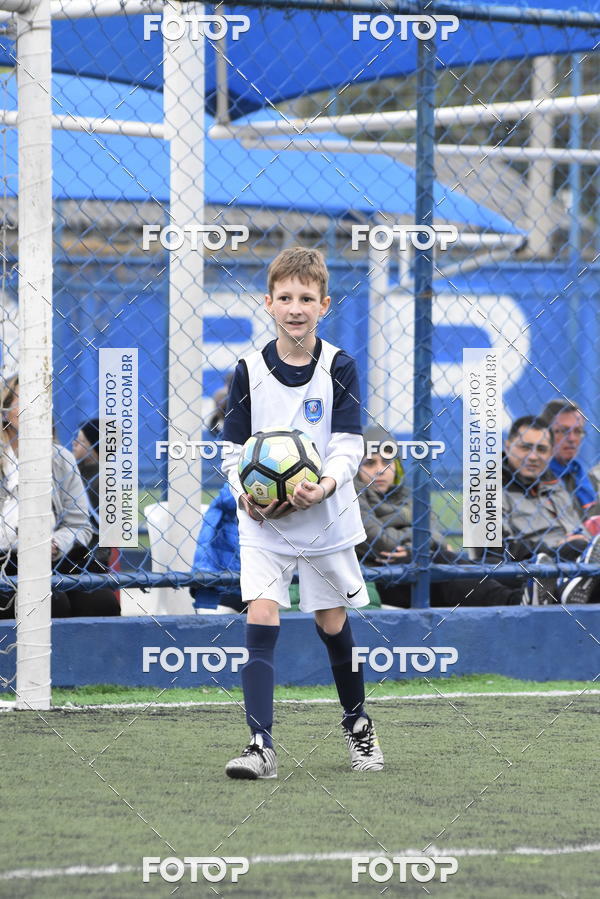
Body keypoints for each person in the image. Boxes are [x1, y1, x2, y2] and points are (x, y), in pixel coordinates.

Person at [220, 246, 383, 779]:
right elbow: (231, 451)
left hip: (324, 518)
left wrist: (328, 484)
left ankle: (358, 725)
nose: (295, 307)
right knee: (262, 615)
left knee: (331, 624)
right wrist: (244, 492)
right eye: (285, 297)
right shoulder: (246, 370)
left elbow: (347, 442)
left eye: (306, 298)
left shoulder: (339, 366)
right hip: (263, 522)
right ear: (268, 303)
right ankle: (259, 746)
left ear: (324, 305)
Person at [355, 425, 524, 607]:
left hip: (419, 564)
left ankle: (539, 590)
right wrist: (420, 536)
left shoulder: (408, 494)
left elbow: (437, 536)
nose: (380, 470)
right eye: (370, 463)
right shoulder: (351, 494)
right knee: (444, 560)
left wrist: (414, 549)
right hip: (382, 576)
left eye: (387, 462)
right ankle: (515, 601)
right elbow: (381, 542)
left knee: (488, 561)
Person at [0, 377, 120, 618]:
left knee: (100, 602)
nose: (33, 406)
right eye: (24, 399)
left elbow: (79, 525)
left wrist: (55, 544)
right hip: (5, 559)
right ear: (5, 411)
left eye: (41, 400)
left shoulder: (59, 458)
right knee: (53, 605)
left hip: (53, 557)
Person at [501, 415, 600, 604]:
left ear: (550, 454)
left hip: (576, 561)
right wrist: (558, 550)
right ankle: (569, 585)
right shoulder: (484, 487)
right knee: (578, 547)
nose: (533, 456)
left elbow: (578, 530)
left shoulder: (555, 484)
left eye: (541, 449)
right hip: (528, 569)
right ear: (508, 446)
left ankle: (571, 585)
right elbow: (491, 552)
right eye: (525, 447)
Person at [539, 400, 600, 525]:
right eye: (563, 431)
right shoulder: (532, 479)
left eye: (577, 431)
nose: (572, 438)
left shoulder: (588, 480)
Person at [72, 417, 113, 571]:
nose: (74, 443)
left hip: (91, 558)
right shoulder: (74, 472)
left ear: (96, 446)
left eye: (81, 441)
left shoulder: (104, 480)